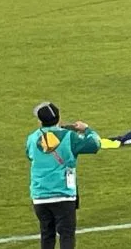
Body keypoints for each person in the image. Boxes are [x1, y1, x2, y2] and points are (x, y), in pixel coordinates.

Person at [27, 103, 101, 249]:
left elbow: (30, 155)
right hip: (63, 195)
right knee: (67, 235)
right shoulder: (69, 137)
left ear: (40, 121)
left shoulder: (32, 138)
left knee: (47, 236)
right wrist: (87, 129)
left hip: (39, 195)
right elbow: (95, 144)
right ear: (59, 118)